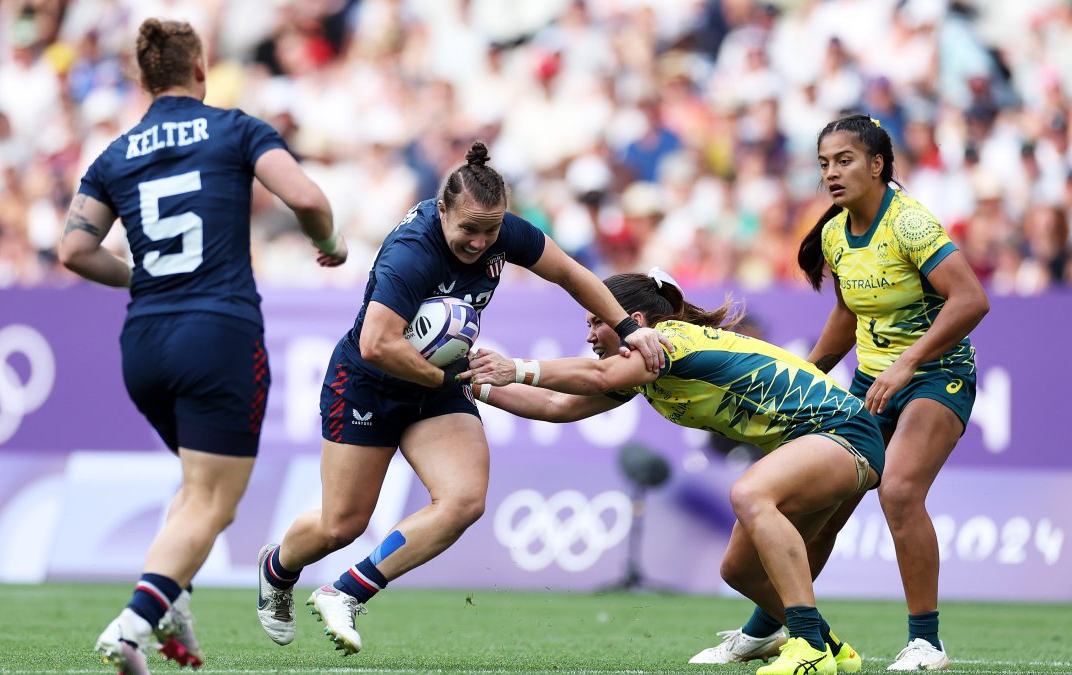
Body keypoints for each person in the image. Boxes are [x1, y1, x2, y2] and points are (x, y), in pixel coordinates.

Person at [254, 141, 671, 655]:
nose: (478, 242)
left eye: (490, 231)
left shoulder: (503, 232)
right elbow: (376, 343)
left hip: (437, 383)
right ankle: (277, 568)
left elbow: (570, 273)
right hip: (368, 383)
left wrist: (628, 327)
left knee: (464, 501)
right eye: (468, 229)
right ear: (442, 209)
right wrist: (439, 378)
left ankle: (345, 592)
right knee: (342, 523)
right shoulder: (412, 253)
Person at [58, 18, 346, 675]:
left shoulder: (115, 154)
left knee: (195, 489)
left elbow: (73, 249)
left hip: (143, 341)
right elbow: (305, 196)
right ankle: (132, 622)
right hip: (216, 332)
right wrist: (331, 244)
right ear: (200, 71)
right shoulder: (235, 128)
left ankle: (171, 603)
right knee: (216, 500)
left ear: (143, 79)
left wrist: (141, 275)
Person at [461, 269, 885, 675]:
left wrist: (515, 367)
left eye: (596, 322)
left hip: (844, 433)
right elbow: (558, 407)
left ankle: (808, 647)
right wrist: (473, 385)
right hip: (812, 447)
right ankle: (831, 648)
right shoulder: (642, 370)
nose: (589, 335)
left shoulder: (670, 340)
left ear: (636, 321)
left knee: (750, 493)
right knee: (739, 571)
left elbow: (595, 375)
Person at [697, 114, 989, 672]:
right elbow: (845, 314)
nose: (832, 173)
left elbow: (971, 300)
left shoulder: (911, 224)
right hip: (870, 384)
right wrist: (806, 373)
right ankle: (767, 629)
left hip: (937, 375)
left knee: (900, 492)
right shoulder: (834, 232)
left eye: (845, 160)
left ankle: (926, 643)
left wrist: (906, 364)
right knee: (826, 510)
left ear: (878, 165)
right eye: (824, 163)